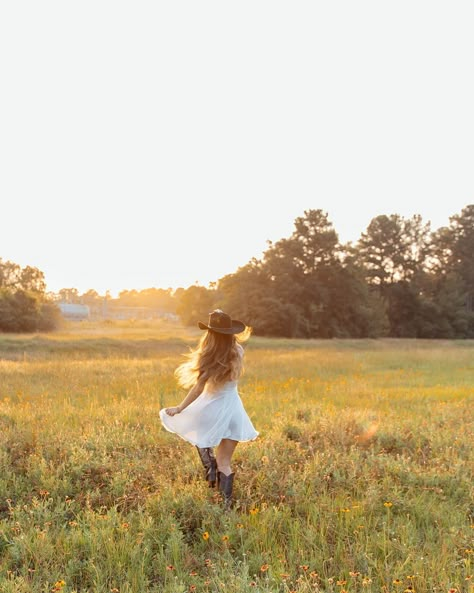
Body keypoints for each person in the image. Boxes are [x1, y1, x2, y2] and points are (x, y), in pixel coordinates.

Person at [159, 309, 258, 509]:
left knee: (197, 432)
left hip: (212, 409)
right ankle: (225, 507)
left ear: (210, 334)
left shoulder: (209, 354)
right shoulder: (238, 351)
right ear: (230, 333)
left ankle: (209, 466)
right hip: (234, 412)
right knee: (225, 463)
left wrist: (180, 408)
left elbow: (198, 388)